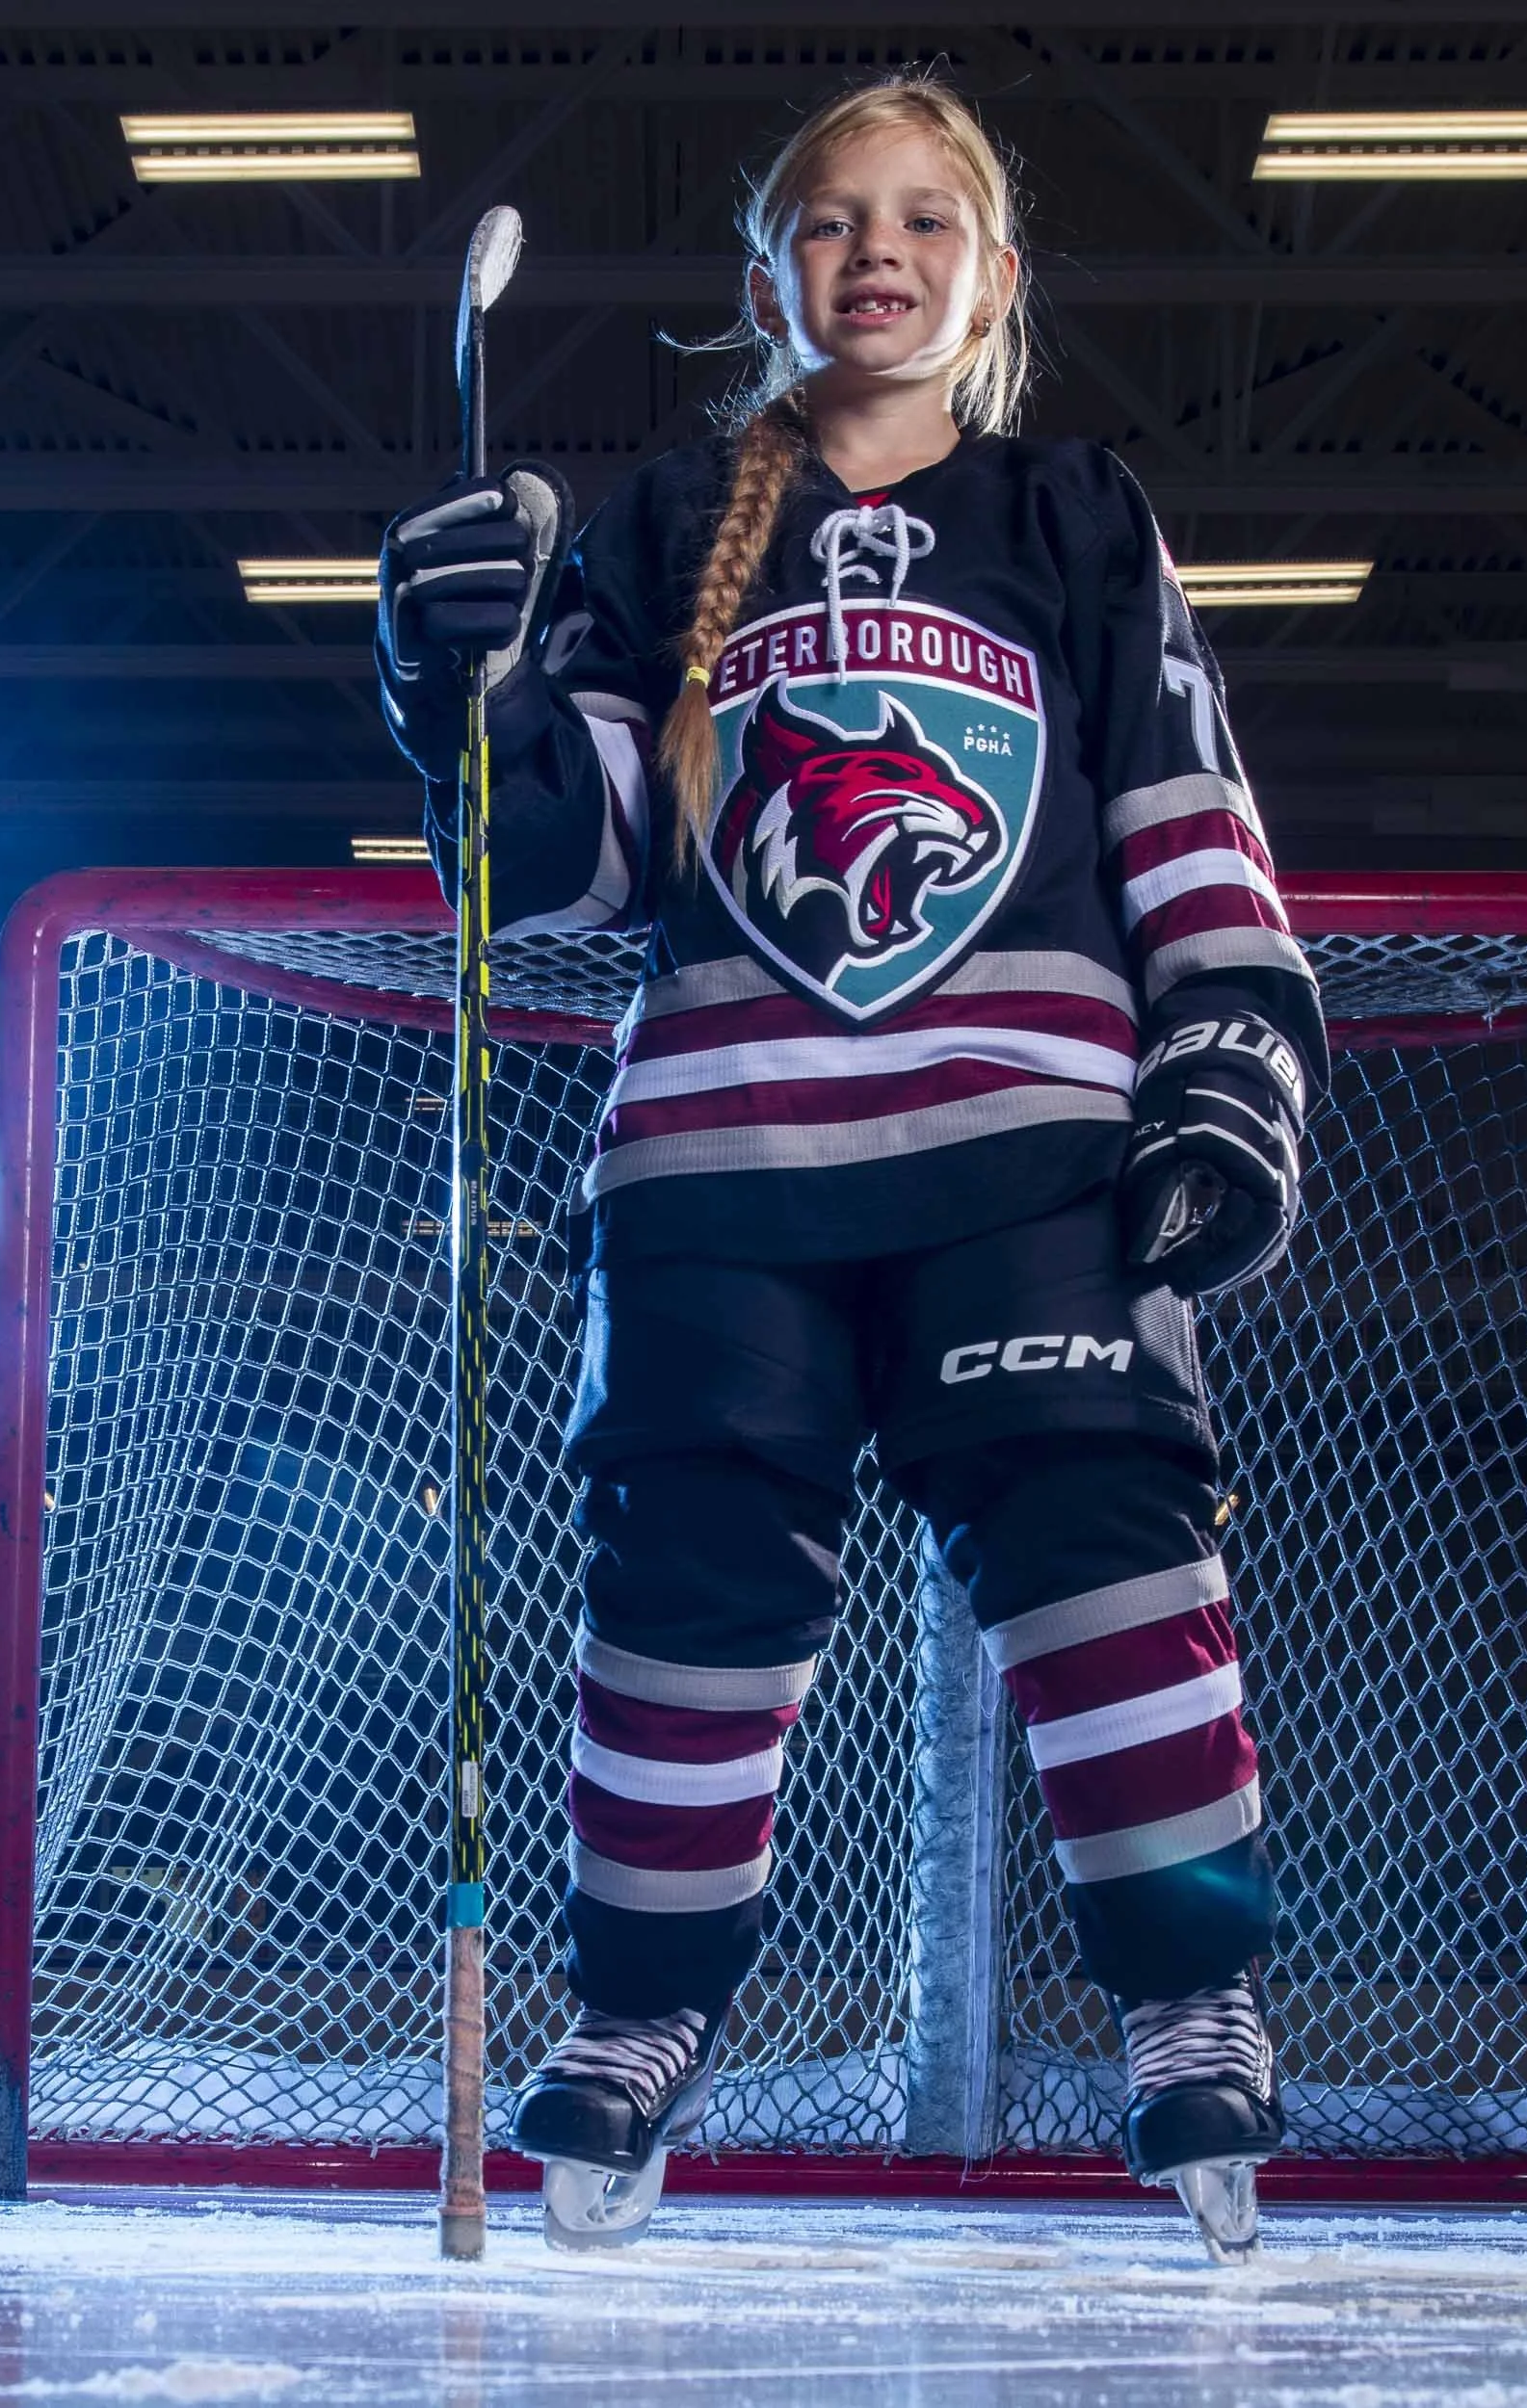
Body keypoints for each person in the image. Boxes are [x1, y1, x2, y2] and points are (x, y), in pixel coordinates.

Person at [374, 72, 1327, 2261]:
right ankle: (639, 2016)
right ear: (766, 275)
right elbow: (580, 865)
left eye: (922, 220)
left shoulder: (1079, 515)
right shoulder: (648, 522)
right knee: (689, 1589)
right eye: (827, 221)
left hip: (1033, 1145)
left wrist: (1235, 1062)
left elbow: (1188, 816)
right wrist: (468, 699)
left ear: (990, 281)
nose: (874, 251)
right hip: (722, 1160)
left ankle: (1190, 1997)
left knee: (1106, 1544)